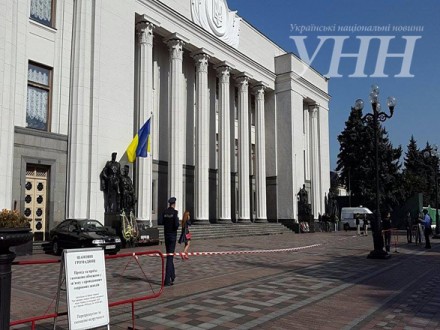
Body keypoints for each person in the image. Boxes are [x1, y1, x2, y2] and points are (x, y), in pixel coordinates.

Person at [161, 197, 179, 286]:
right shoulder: (175, 213)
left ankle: (173, 275)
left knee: (169, 255)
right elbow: (176, 225)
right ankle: (167, 280)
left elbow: (161, 222)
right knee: (170, 257)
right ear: (174, 204)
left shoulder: (164, 212)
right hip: (172, 236)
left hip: (166, 236)